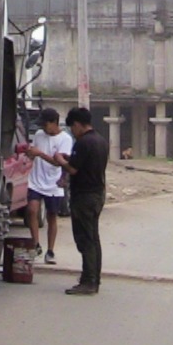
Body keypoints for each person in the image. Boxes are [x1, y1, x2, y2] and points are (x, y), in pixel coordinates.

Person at [56, 106, 108, 295]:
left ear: (78, 124)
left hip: (84, 196)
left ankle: (89, 281)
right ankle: (94, 278)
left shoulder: (83, 143)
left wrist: (60, 160)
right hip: (97, 193)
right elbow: (84, 162)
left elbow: (73, 169)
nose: (72, 131)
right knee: (93, 238)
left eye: (72, 128)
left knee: (85, 239)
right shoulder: (100, 140)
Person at [22, 108, 72, 264]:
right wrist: (30, 153)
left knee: (52, 216)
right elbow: (33, 154)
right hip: (36, 180)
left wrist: (40, 154)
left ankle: (50, 250)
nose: (43, 128)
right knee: (32, 210)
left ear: (54, 123)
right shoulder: (38, 135)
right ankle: (35, 244)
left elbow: (59, 163)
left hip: (54, 182)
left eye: (45, 124)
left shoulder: (65, 139)